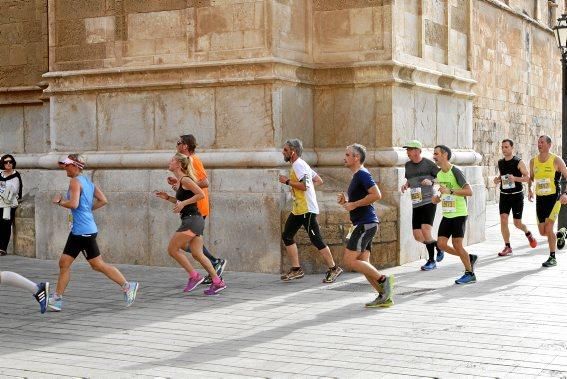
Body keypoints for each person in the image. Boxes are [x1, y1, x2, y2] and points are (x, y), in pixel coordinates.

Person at [48, 154, 139, 311]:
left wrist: (59, 202)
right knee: (91, 264)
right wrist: (87, 211)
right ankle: (127, 285)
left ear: (75, 166)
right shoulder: (88, 182)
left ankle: (57, 299)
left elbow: (74, 204)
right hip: (85, 229)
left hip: (82, 232)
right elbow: (103, 200)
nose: (65, 168)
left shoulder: (75, 181)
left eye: (67, 165)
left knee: (70, 264)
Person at [156, 153, 227, 295]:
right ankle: (218, 282)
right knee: (197, 254)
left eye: (172, 160)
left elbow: (201, 194)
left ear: (179, 164)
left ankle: (194, 277)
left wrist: (183, 203)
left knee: (172, 249)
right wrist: (168, 198)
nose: (169, 162)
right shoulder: (181, 181)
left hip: (192, 221)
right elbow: (184, 202)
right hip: (194, 220)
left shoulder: (186, 180)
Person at [278, 139, 343, 283]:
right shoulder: (302, 164)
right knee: (287, 236)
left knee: (316, 239)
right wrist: (305, 188)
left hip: (306, 210)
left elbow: (304, 186)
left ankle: (334, 268)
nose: (283, 152)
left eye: (286, 150)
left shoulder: (298, 165)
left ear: (293, 152)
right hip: (298, 209)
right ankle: (296, 269)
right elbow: (318, 180)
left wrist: (287, 181)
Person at [338, 144, 394, 307]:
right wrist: (347, 203)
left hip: (366, 223)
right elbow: (358, 202)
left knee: (350, 260)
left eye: (347, 154)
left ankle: (384, 280)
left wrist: (354, 204)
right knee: (364, 263)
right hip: (363, 223)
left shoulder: (362, 174)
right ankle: (384, 296)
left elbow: (377, 194)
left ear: (356, 157)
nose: (344, 157)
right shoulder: (357, 176)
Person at [169, 135, 227, 285]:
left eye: (179, 142)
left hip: (197, 210)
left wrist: (186, 184)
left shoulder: (194, 159)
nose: (176, 145)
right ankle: (214, 271)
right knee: (193, 246)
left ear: (186, 146)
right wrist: (179, 184)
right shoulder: (188, 162)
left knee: (181, 246)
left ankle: (214, 264)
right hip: (192, 210)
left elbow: (205, 182)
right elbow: (190, 182)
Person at [431, 145, 478, 284]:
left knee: (457, 244)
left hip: (459, 213)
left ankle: (470, 274)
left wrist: (450, 191)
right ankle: (468, 258)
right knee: (441, 244)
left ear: (445, 155)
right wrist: (437, 198)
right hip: (447, 213)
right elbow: (443, 192)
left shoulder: (456, 171)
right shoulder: (439, 174)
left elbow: (469, 192)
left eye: (436, 154)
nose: (434, 156)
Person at [400, 140, 444, 271]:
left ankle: (431, 261)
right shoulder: (407, 165)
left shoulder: (428, 164)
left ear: (418, 151)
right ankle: (438, 246)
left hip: (429, 201)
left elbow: (441, 176)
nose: (407, 152)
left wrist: (431, 181)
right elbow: (410, 179)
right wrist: (406, 185)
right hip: (416, 202)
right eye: (407, 150)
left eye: (410, 150)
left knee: (426, 230)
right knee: (418, 236)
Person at [528, 135, 567, 267]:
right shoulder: (533, 161)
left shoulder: (556, 160)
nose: (539, 144)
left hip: (554, 198)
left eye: (542, 142)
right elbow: (531, 178)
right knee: (543, 232)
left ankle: (552, 257)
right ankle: (561, 234)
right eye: (538, 142)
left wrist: (565, 193)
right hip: (540, 199)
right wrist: (529, 189)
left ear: (549, 145)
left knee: (549, 228)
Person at [493, 139, 537, 256]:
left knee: (517, 223)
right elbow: (502, 176)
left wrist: (515, 179)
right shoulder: (501, 162)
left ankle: (528, 233)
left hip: (517, 196)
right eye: (502, 147)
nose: (504, 149)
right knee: (503, 219)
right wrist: (497, 180)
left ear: (512, 148)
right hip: (504, 195)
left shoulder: (518, 162)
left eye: (506, 147)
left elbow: (527, 178)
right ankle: (507, 246)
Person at [0, 154, 23, 256]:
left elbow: (15, 191)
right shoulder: (0, 173)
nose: (8, 164)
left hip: (9, 204)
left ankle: (3, 248)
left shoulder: (15, 175)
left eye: (10, 162)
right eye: (6, 162)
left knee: (5, 225)